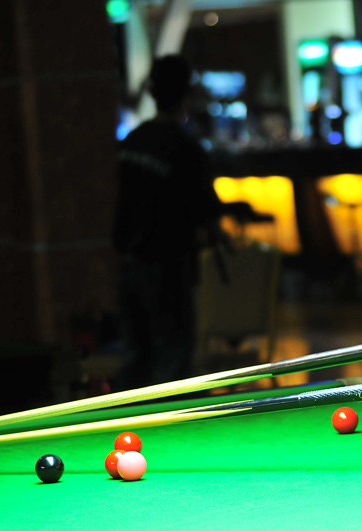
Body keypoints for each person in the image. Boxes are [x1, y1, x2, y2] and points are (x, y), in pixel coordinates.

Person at [112, 55, 224, 389]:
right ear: (187, 95)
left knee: (136, 359)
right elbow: (204, 210)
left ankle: (129, 418)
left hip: (128, 262)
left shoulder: (132, 142)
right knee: (173, 362)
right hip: (169, 266)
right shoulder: (187, 149)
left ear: (153, 92)